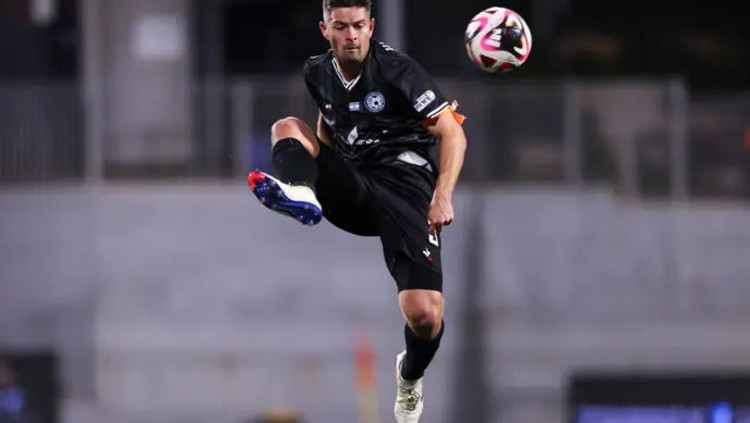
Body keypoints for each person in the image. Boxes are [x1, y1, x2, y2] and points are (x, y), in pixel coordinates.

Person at [247, 0, 467, 421]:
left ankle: (409, 374)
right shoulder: (317, 71)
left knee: (424, 315)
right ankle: (302, 193)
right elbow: (329, 121)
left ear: (371, 26)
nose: (351, 36)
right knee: (286, 128)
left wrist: (442, 196)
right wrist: (322, 168)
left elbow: (453, 133)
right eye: (341, 26)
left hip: (406, 190)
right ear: (325, 29)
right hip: (356, 184)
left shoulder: (397, 70)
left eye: (359, 26)